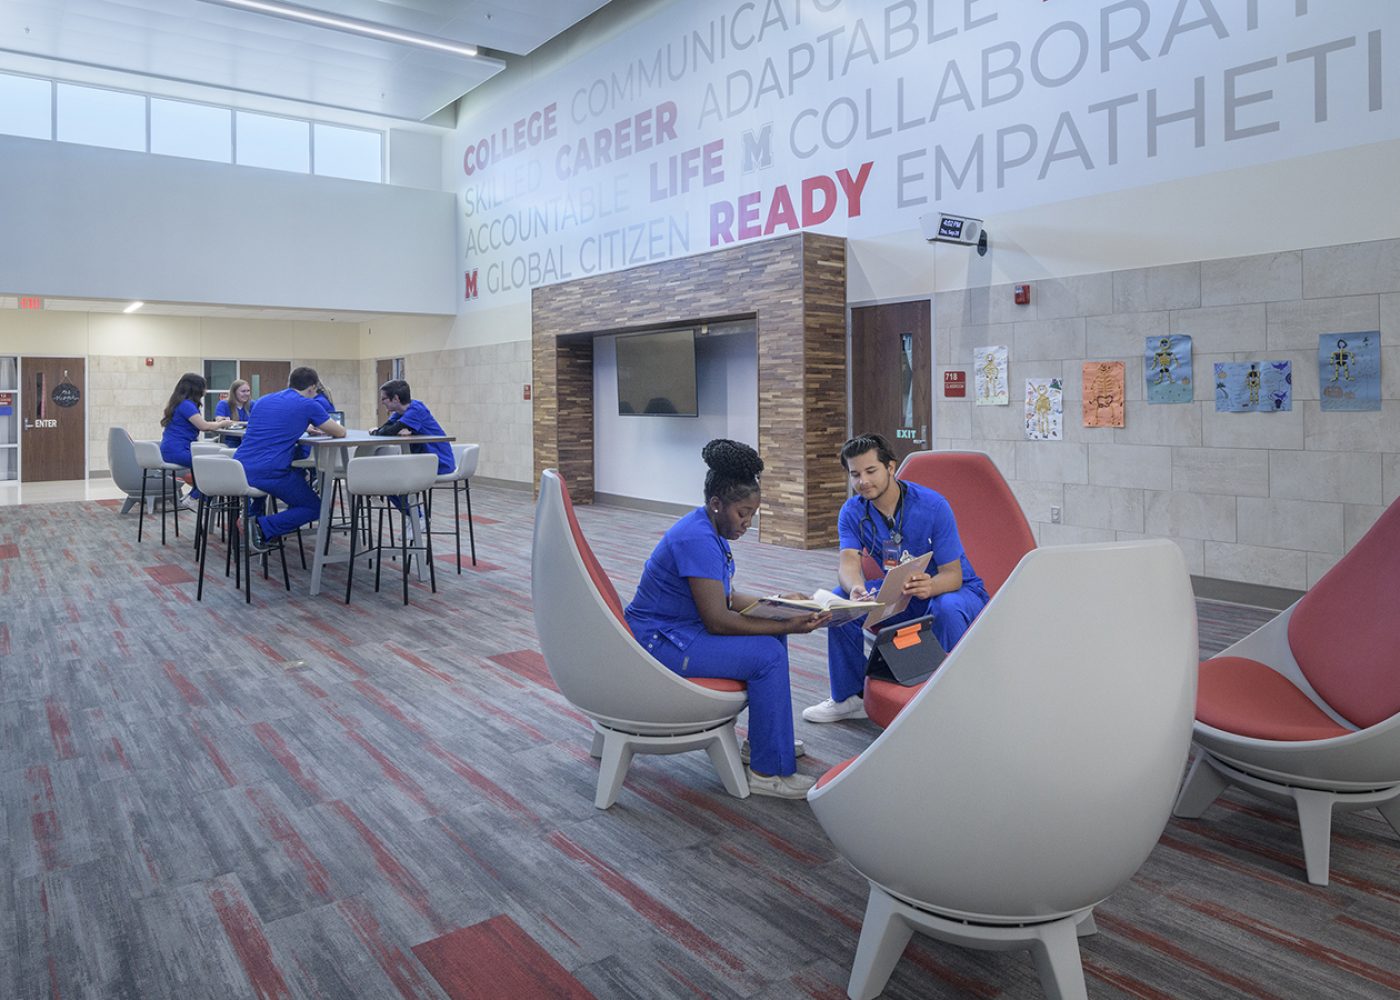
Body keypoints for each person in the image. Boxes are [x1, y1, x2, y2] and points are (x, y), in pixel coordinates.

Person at [624, 440, 829, 799]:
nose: (747, 523)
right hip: (660, 643)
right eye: (743, 513)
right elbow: (719, 620)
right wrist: (788, 624)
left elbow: (726, 597)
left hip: (680, 630)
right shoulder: (697, 538)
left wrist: (781, 604)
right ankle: (768, 774)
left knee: (772, 641)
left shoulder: (706, 529)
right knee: (766, 654)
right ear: (716, 504)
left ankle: (764, 744)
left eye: (753, 514)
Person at [803, 433, 990, 723]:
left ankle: (952, 700)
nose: (863, 481)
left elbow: (952, 575)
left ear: (891, 467)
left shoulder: (933, 505)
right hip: (901, 592)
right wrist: (856, 588)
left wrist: (930, 586)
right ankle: (849, 697)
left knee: (947, 609)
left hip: (952, 589)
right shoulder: (853, 511)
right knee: (839, 602)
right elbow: (848, 561)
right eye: (855, 474)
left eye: (870, 471)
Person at [234, 366, 345, 552]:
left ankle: (260, 524)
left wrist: (302, 427)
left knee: (298, 483)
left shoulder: (262, 401)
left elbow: (273, 427)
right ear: (312, 388)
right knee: (315, 507)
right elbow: (340, 432)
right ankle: (261, 526)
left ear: (289, 383)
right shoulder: (308, 404)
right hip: (269, 472)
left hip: (238, 468)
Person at [160, 372, 231, 510]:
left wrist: (216, 423)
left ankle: (193, 496)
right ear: (196, 388)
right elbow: (204, 426)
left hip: (171, 449)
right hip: (177, 451)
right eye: (204, 387)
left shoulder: (179, 403)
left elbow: (201, 423)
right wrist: (222, 424)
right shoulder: (186, 405)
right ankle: (196, 497)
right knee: (213, 465)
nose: (205, 391)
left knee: (207, 464)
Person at [373, 379, 454, 474]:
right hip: (423, 460)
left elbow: (388, 431)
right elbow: (385, 429)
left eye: (384, 399)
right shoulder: (400, 412)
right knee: (390, 469)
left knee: (392, 471)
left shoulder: (416, 410)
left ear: (395, 398)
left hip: (438, 462)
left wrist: (378, 431)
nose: (382, 403)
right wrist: (386, 431)